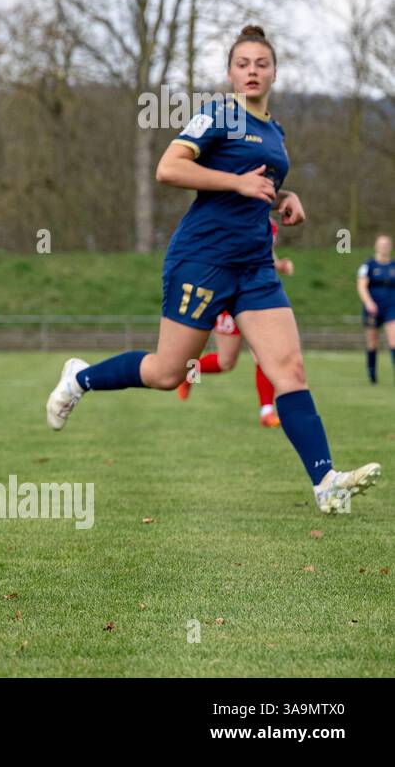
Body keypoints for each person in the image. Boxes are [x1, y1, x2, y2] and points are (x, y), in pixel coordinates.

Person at [45, 25, 381, 513]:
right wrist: (236, 183)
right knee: (166, 372)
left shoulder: (275, 131)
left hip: (255, 268)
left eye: (261, 64)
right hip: (202, 260)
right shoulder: (218, 113)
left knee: (289, 368)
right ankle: (80, 378)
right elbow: (169, 167)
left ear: (273, 72)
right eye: (243, 64)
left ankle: (325, 482)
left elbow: (257, 187)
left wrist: (284, 197)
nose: (252, 71)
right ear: (230, 72)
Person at [176, 222, 291, 426]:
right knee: (225, 362)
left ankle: (266, 411)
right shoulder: (228, 217)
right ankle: (190, 372)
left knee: (263, 355)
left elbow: (266, 254)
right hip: (226, 295)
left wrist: (279, 264)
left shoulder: (268, 224)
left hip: (255, 296)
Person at [357, 234, 395, 384]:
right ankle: (372, 374)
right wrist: (369, 302)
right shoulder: (368, 266)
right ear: (376, 246)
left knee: (394, 339)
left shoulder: (393, 265)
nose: (384, 247)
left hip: (391, 307)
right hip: (373, 307)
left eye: (387, 244)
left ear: (390, 247)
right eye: (381, 244)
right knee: (372, 342)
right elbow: (361, 285)